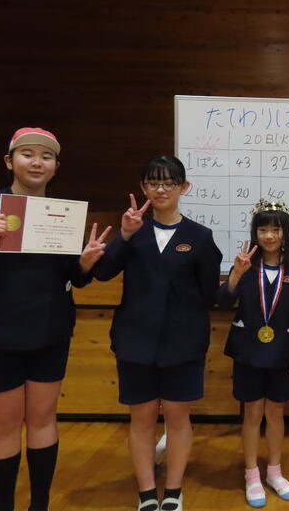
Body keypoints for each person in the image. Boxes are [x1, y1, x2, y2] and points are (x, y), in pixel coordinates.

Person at [0, 127, 110, 511]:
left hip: (49, 332)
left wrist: (85, 263)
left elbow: (73, 277)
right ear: (9, 162)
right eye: (28, 154)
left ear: (56, 166)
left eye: (46, 156)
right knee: (4, 426)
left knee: (43, 420)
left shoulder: (62, 214)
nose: (37, 162)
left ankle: (39, 504)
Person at [93, 154, 222, 511]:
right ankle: (147, 491)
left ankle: (174, 491)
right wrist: (123, 234)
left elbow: (209, 295)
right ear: (143, 187)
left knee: (178, 418)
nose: (161, 189)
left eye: (169, 183)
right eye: (153, 182)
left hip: (184, 343)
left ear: (184, 187)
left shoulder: (200, 237)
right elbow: (102, 273)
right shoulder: (133, 230)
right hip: (135, 341)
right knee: (141, 419)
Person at [218, 199, 289, 508]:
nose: (269, 236)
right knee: (252, 413)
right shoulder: (245, 265)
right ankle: (251, 474)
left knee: (275, 413)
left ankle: (274, 471)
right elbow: (223, 302)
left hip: (283, 352)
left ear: (285, 232)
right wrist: (235, 274)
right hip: (248, 351)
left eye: (276, 229)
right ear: (255, 232)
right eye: (263, 229)